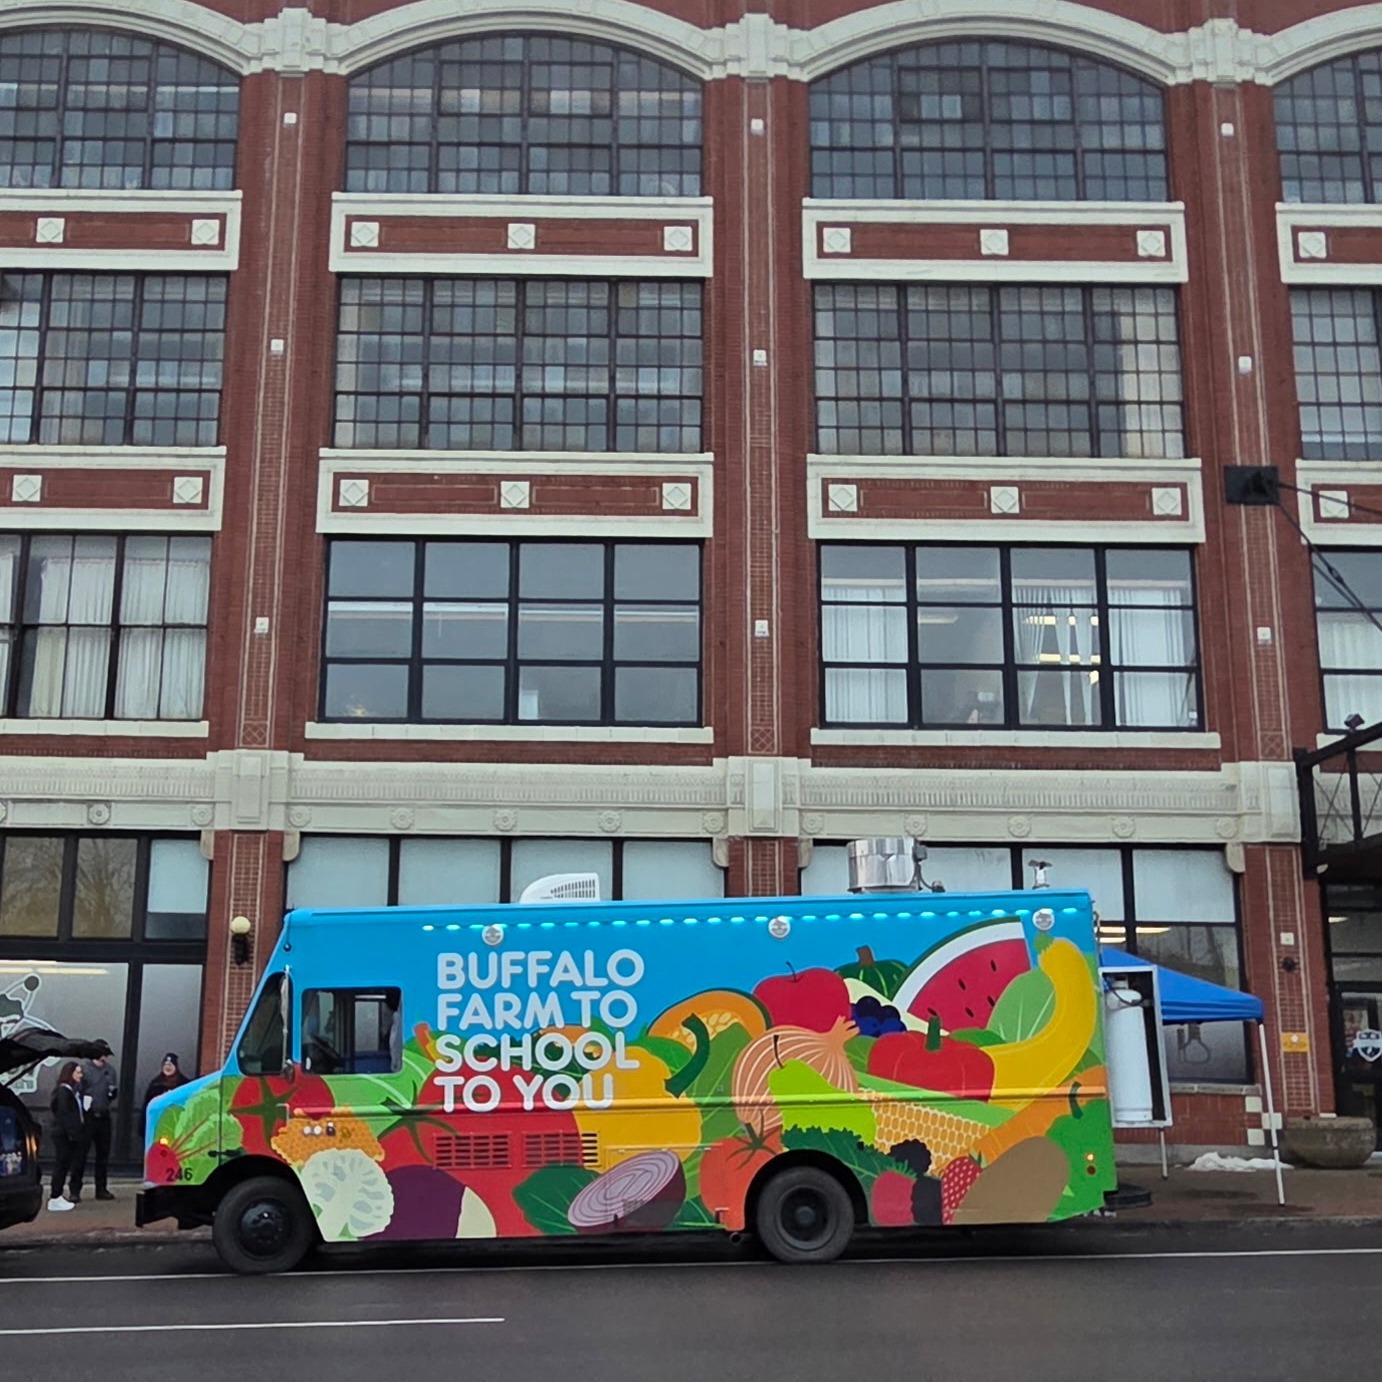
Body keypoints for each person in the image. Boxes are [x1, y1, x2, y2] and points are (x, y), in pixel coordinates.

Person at [80, 1039, 118, 1202]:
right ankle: (75, 1189)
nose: (105, 1058)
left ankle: (101, 1189)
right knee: (81, 1154)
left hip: (104, 1116)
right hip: (88, 1116)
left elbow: (114, 1091)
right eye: (103, 1055)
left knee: (103, 1155)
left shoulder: (110, 1071)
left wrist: (112, 1093)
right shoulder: (84, 1069)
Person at [47, 1062, 88, 1212]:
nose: (80, 1075)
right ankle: (55, 1196)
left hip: (66, 1134)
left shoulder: (71, 1091)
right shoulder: (64, 1091)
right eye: (77, 1072)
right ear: (70, 1073)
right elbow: (64, 1113)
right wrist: (72, 1132)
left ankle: (57, 1196)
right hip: (64, 1135)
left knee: (63, 1164)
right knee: (61, 1164)